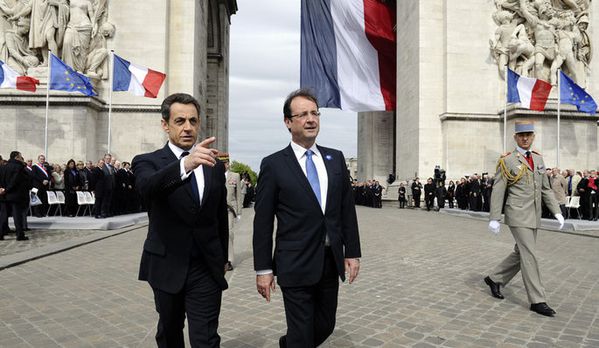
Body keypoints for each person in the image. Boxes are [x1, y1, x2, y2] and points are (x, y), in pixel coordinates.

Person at [253, 89, 361, 348]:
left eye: (315, 113)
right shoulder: (273, 164)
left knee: (326, 325)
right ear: (288, 122)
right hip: (294, 263)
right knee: (302, 334)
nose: (311, 119)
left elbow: (346, 209)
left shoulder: (335, 158)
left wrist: (352, 252)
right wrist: (263, 269)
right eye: (302, 115)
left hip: (328, 261)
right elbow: (263, 221)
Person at [131, 93, 229, 347]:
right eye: (180, 120)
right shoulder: (147, 162)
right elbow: (147, 189)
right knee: (170, 333)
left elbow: (220, 217)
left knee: (206, 338)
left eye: (193, 121)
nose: (188, 127)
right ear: (165, 125)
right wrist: (184, 165)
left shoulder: (214, 165)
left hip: (206, 268)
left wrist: (221, 259)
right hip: (166, 265)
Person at [485, 121, 564, 317]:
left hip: (534, 214)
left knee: (521, 252)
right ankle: (538, 300)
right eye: (522, 135)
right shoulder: (507, 160)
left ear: (533, 136)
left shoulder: (538, 159)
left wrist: (557, 211)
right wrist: (495, 217)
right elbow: (498, 189)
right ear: (515, 137)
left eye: (529, 134)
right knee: (530, 255)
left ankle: (495, 279)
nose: (525, 138)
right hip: (518, 213)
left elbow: (545, 188)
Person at [0, 151, 31, 241]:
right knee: (17, 216)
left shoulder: (3, 166)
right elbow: (15, 181)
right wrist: (6, 189)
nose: (22, 159)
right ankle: (20, 234)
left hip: (3, 195)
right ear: (16, 157)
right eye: (21, 157)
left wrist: (2, 189)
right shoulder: (19, 167)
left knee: (3, 216)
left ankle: (1, 234)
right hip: (14, 195)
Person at [219, 153, 241, 271]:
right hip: (216, 210)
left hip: (229, 209)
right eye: (221, 163)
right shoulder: (214, 174)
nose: (224, 165)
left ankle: (229, 260)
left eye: (225, 163)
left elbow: (238, 195)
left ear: (228, 163)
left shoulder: (235, 176)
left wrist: (239, 212)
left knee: (229, 234)